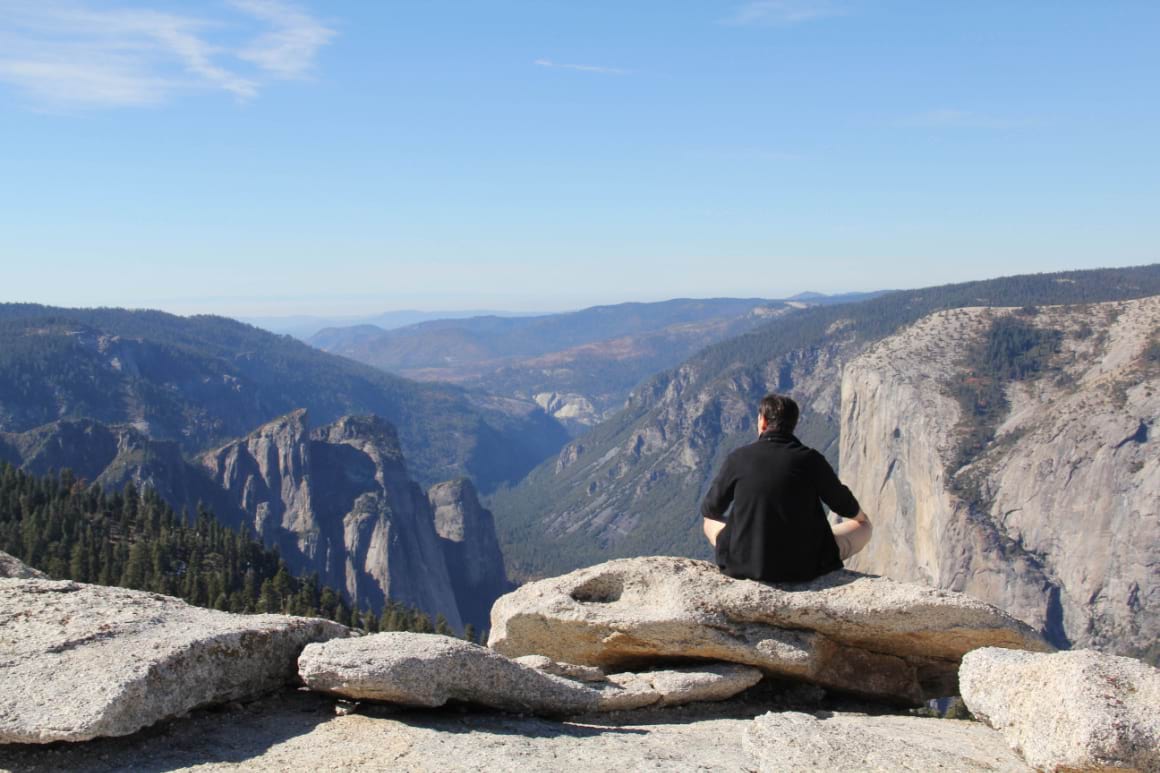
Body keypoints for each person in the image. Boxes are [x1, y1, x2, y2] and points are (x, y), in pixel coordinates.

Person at [700, 393, 872, 582]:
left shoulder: (738, 458)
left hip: (744, 564)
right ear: (793, 424)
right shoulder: (810, 459)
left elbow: (710, 509)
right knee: (864, 527)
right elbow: (842, 503)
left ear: (763, 421)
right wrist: (861, 518)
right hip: (805, 565)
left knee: (709, 522)